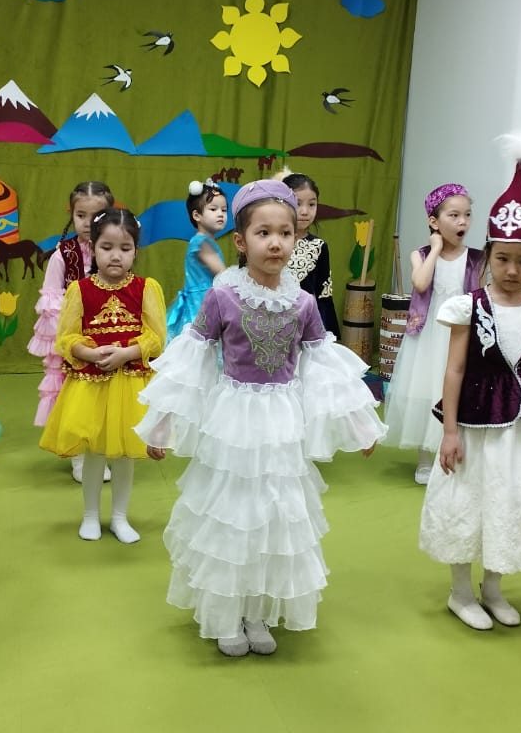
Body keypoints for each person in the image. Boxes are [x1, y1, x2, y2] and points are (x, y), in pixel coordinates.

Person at [136, 179, 385, 658]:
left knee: (273, 513)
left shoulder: (304, 304)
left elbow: (323, 366)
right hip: (233, 422)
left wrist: (360, 425)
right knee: (234, 514)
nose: (275, 243)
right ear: (240, 240)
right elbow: (192, 360)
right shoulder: (222, 297)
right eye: (263, 233)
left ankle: (257, 611)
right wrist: (162, 424)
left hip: (283, 425)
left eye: (285, 233)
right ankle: (226, 612)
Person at [419, 130, 521, 631]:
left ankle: (495, 587)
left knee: (511, 502)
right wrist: (449, 431)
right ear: (489, 256)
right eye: (502, 258)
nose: (512, 269)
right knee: (469, 501)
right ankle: (461, 591)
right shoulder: (471, 306)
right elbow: (455, 369)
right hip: (478, 424)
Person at [39, 209, 166, 543]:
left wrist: (127, 353)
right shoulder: (79, 290)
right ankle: (91, 516)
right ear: (93, 248)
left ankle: (120, 517)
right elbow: (66, 338)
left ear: (135, 251)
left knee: (124, 455)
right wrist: (90, 353)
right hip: (90, 387)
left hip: (130, 386)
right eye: (106, 247)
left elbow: (156, 339)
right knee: (94, 453)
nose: (115, 255)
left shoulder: (145, 288)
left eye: (125, 248)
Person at [383, 183, 484, 483]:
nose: (463, 221)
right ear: (434, 221)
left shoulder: (477, 259)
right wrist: (436, 248)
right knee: (426, 390)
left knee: (456, 391)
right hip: (428, 335)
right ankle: (425, 458)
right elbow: (421, 283)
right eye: (454, 215)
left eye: (467, 215)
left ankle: (452, 452)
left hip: (460, 336)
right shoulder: (421, 254)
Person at [28, 180, 114, 482]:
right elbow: (51, 303)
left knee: (103, 397)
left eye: (96, 216)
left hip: (108, 338)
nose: (88, 223)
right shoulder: (63, 255)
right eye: (81, 215)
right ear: (72, 215)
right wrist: (71, 342)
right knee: (75, 398)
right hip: (74, 343)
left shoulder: (115, 251)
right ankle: (80, 456)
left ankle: (100, 450)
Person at [165, 178, 227, 340]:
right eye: (213, 209)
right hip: (201, 304)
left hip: (201, 301)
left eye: (224, 210)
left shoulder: (203, 241)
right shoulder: (201, 242)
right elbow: (222, 274)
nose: (220, 214)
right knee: (203, 346)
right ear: (197, 215)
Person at [282, 171, 340, 337]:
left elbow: (324, 296)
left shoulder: (319, 247)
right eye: (297, 203)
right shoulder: (270, 243)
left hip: (305, 326)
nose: (305, 211)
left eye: (312, 204)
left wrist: (326, 333)